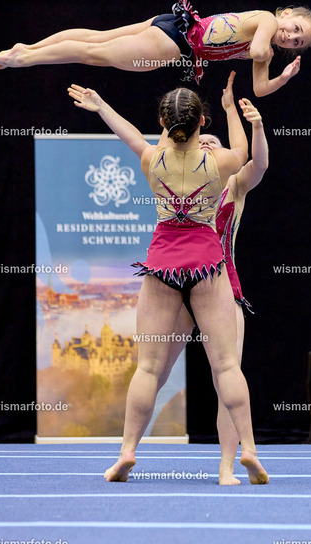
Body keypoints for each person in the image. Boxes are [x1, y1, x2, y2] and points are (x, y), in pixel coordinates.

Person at [67, 75, 269, 484]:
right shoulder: (219, 164)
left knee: (147, 368)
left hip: (163, 263)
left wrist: (102, 106)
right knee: (226, 365)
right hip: (206, 263)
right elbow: (243, 151)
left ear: (162, 123)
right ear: (201, 123)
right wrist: (235, 114)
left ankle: (127, 452)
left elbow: (131, 135)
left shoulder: (151, 159)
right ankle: (248, 448)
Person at [152, 73, 269, 485]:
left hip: (222, 285)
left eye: (214, 144)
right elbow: (164, 142)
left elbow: (258, 162)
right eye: (201, 141)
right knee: (154, 371)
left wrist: (249, 122)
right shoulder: (173, 175)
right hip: (175, 280)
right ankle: (127, 451)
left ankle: (227, 465)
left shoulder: (234, 183)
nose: (207, 146)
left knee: (226, 375)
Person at [0, 0, 311, 97]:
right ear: (286, 14)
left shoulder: (268, 44)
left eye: (297, 41)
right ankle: (24, 59)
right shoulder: (267, 20)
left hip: (171, 26)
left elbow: (259, 89)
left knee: (97, 39)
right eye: (295, 28)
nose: (290, 37)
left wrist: (283, 77)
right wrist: (267, 54)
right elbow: (258, 51)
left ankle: (28, 48)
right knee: (95, 53)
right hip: (173, 41)